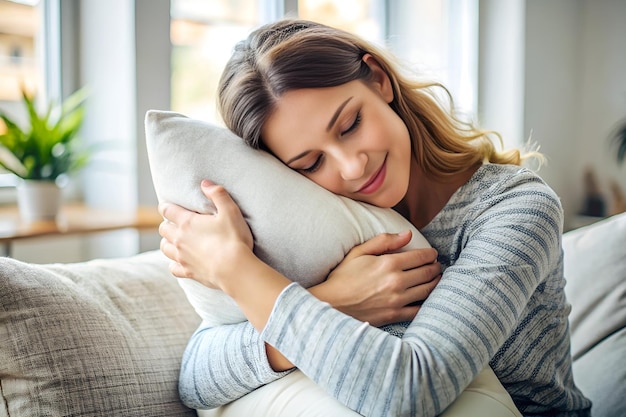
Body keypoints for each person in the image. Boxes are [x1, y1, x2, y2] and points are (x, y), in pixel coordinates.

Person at [158, 18, 592, 417]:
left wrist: (234, 268)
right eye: (310, 163)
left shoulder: (515, 206)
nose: (352, 167)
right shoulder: (323, 224)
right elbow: (196, 377)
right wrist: (338, 299)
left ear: (380, 80)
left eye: (349, 125)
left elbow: (413, 389)